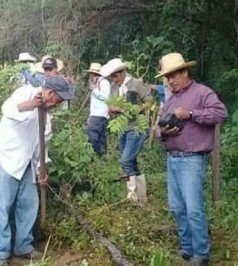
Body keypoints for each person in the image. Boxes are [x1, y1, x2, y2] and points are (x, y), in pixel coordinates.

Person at [0, 76, 73, 266]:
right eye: (59, 99)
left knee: (29, 204)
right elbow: (7, 109)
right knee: (2, 207)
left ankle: (23, 246)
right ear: (50, 93)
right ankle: (0, 253)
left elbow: (42, 147)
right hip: (6, 158)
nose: (59, 103)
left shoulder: (47, 117)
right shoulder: (25, 92)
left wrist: (41, 170)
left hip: (27, 163)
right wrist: (31, 104)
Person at [156, 52, 228, 265]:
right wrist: (164, 133)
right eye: (167, 77)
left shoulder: (201, 92)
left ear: (185, 72)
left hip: (192, 160)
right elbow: (160, 129)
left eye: (173, 76)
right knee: (176, 207)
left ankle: (201, 254)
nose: (170, 81)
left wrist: (192, 114)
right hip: (173, 159)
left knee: (194, 208)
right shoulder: (170, 100)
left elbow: (221, 113)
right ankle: (187, 248)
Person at [101, 58, 154, 203]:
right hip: (122, 128)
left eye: (116, 75)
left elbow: (149, 102)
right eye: (112, 76)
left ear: (123, 72)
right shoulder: (113, 87)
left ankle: (133, 196)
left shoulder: (136, 83)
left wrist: (135, 109)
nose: (114, 79)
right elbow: (111, 104)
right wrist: (114, 110)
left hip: (136, 127)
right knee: (131, 161)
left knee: (125, 160)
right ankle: (142, 197)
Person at [85, 62, 110, 155]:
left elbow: (107, 97)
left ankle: (96, 153)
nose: (90, 76)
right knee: (101, 137)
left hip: (99, 114)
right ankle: (102, 157)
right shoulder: (97, 83)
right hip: (97, 114)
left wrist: (94, 90)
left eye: (91, 74)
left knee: (91, 133)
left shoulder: (104, 83)